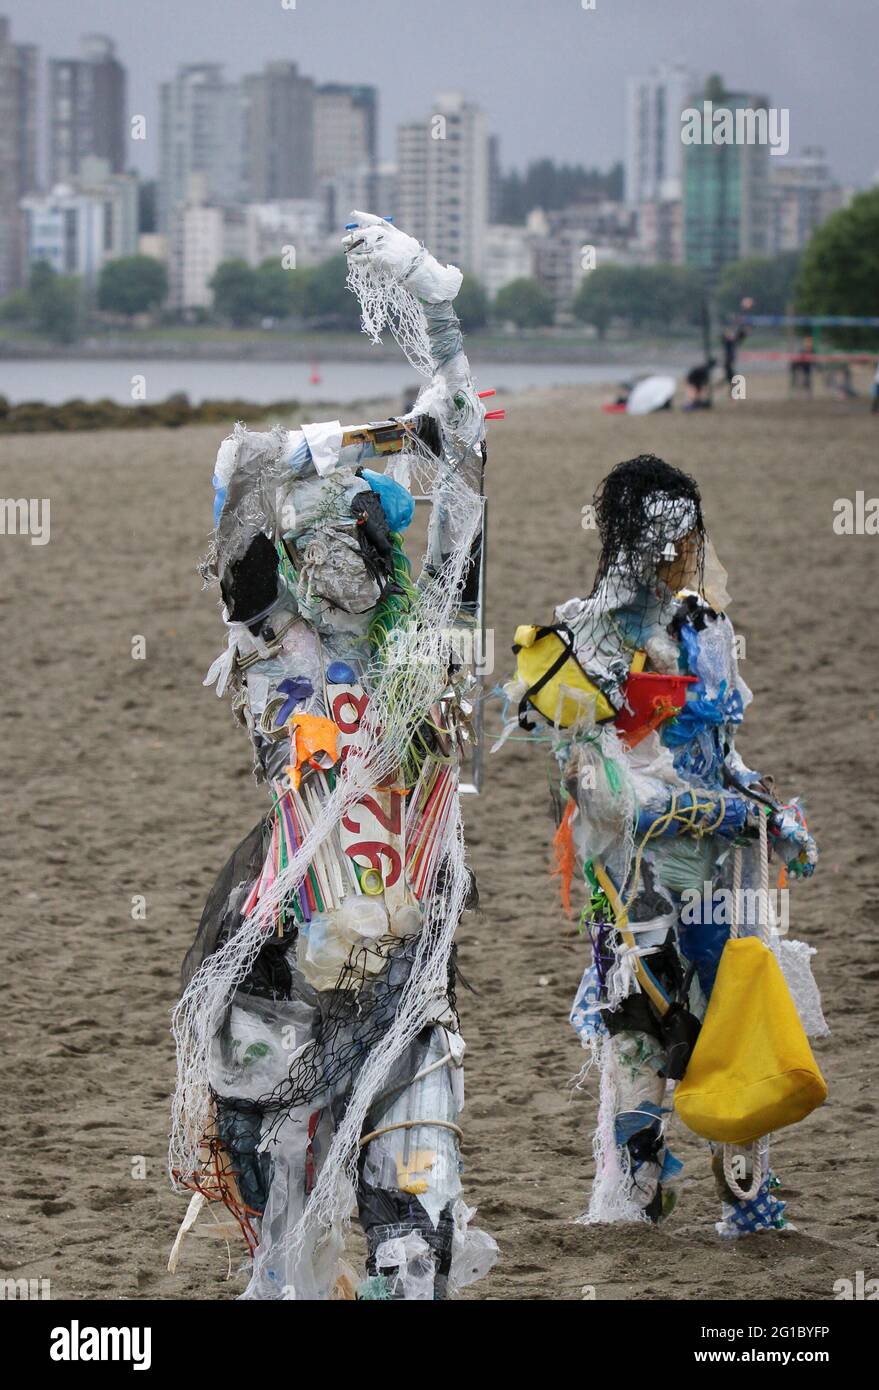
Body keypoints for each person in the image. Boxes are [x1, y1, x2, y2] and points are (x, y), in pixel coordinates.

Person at [168, 213, 497, 1300]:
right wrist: (346, 447)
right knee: (283, 1255)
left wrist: (436, 312)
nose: (341, 545)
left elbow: (470, 466)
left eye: (362, 529)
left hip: (405, 992)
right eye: (313, 535)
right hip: (281, 987)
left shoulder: (430, 661)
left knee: (417, 1247)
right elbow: (235, 486)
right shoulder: (275, 662)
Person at [500, 455, 822, 1235]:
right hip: (634, 881)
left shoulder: (708, 632)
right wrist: (702, 810)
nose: (684, 547)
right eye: (668, 532)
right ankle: (635, 1202)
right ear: (632, 538)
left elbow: (725, 748)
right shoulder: (584, 641)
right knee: (640, 1028)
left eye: (691, 530)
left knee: (738, 1012)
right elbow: (594, 782)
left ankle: (748, 1203)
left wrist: (766, 812)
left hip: (725, 874)